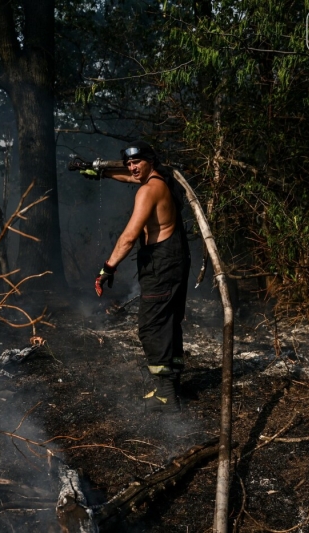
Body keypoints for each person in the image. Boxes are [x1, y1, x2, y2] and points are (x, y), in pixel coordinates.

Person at [92, 141, 191, 412]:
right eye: (129, 164)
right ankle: (172, 386)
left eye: (137, 162)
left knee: (152, 326)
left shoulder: (148, 191)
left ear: (150, 160)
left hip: (161, 264)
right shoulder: (162, 180)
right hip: (175, 258)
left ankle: (166, 396)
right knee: (169, 321)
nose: (132, 168)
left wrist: (107, 268)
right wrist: (99, 171)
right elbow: (131, 177)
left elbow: (128, 237)